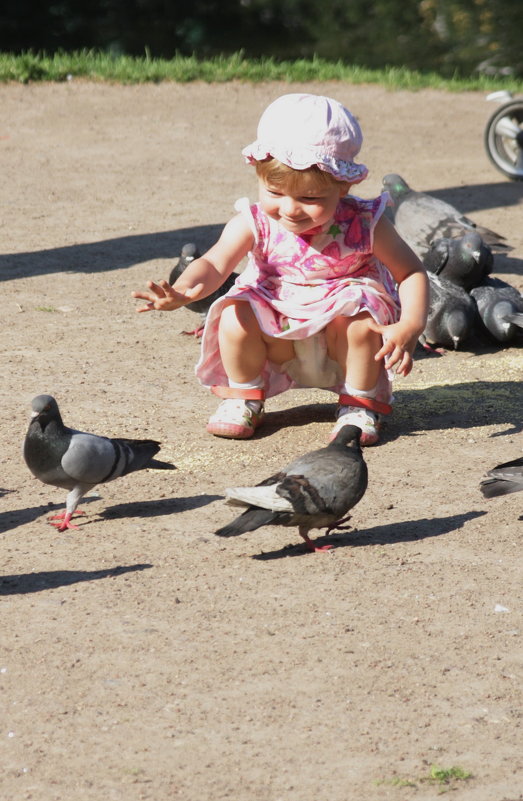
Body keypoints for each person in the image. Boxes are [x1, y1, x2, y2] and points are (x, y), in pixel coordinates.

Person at [132, 93, 429, 446]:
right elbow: (214, 261)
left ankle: (359, 403)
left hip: (340, 330)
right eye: (274, 191)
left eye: (311, 198)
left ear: (344, 184)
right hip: (278, 328)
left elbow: (410, 271)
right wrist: (184, 291)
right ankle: (244, 396)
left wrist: (411, 323)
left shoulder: (366, 222)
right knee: (235, 314)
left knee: (362, 323)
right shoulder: (254, 221)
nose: (290, 209)